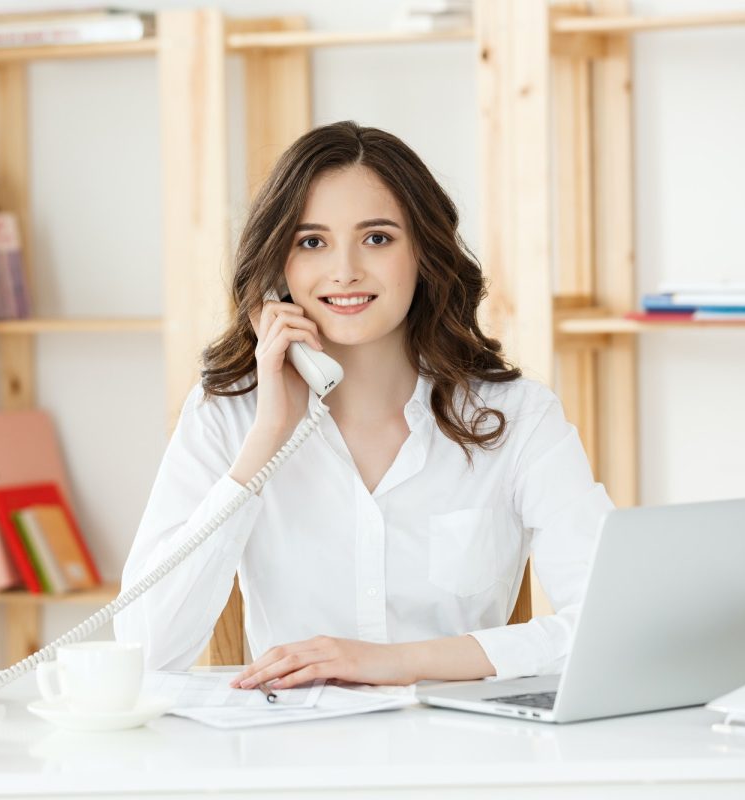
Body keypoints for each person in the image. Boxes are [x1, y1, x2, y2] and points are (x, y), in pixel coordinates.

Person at [114, 121, 613, 691]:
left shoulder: (518, 417)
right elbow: (141, 651)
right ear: (278, 270)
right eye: (311, 242)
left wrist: (397, 662)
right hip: (295, 765)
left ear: (423, 252)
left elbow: (611, 626)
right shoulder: (226, 417)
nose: (345, 270)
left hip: (459, 764)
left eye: (377, 238)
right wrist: (267, 438)